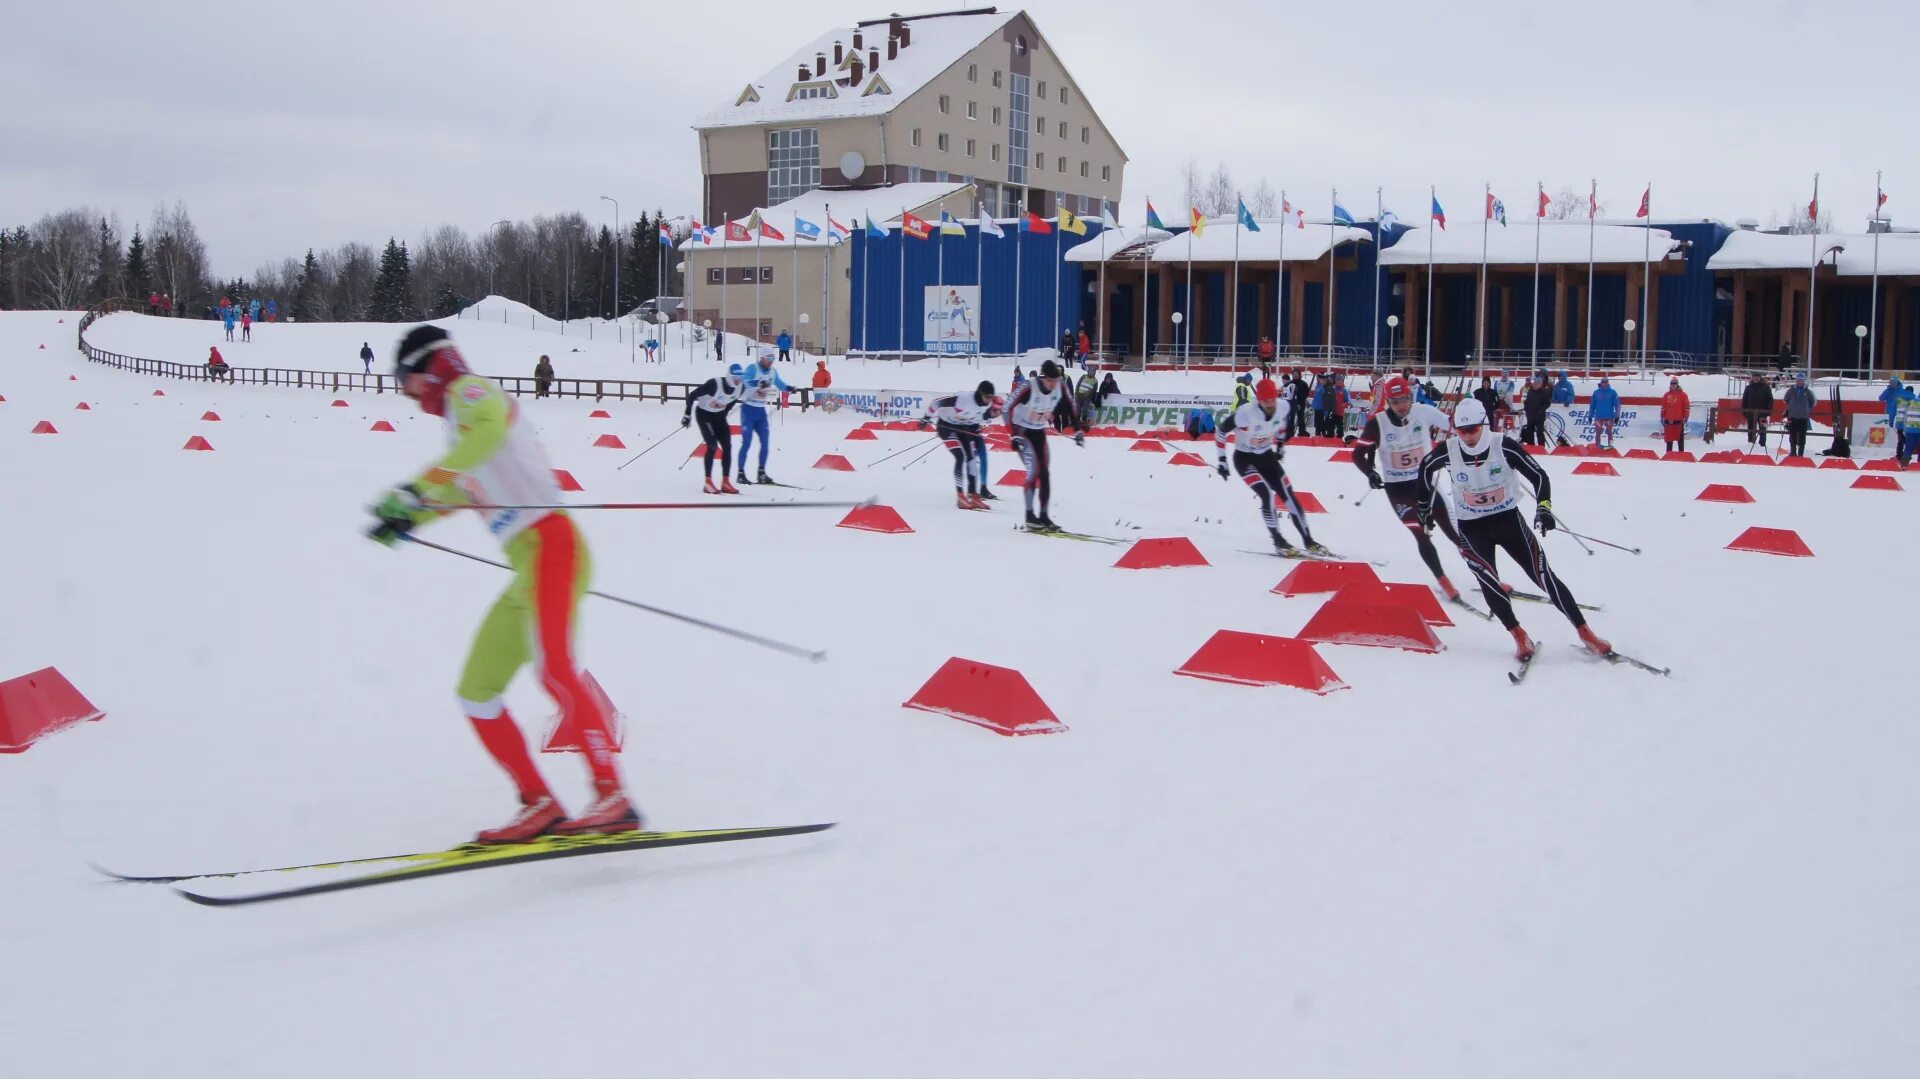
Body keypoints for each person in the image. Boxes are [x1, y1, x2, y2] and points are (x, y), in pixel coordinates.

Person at [369, 325, 635, 843]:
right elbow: (460, 492)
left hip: (555, 547)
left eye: (406, 382)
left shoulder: (473, 394)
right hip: (528, 567)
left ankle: (613, 794)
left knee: (555, 670)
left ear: (429, 370)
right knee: (477, 692)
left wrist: (415, 489)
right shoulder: (459, 436)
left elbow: (487, 436)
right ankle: (539, 804)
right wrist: (410, 517)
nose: (407, 395)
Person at [1414, 398, 1611, 663]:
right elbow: (1424, 470)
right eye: (1462, 431)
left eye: (1473, 429)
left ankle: (1585, 632)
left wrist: (1544, 508)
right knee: (1489, 582)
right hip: (1472, 528)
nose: (1468, 436)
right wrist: (1424, 509)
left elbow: (1539, 476)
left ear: (1484, 424)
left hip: (1508, 521)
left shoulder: (1502, 445)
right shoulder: (1448, 450)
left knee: (1544, 576)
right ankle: (1519, 635)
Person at [1353, 375, 1464, 596]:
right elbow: (1357, 454)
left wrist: (1458, 421)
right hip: (1398, 492)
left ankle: (1489, 577)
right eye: (1395, 402)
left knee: (1455, 534)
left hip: (1425, 485)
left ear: (1411, 397)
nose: (1401, 406)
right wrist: (1370, 473)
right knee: (1420, 533)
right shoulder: (1378, 423)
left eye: (1404, 400)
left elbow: (1453, 425)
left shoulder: (1423, 412)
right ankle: (1443, 580)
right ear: (1388, 403)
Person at [1217, 377, 1323, 555]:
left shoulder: (1283, 406)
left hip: (1266, 456)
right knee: (1266, 494)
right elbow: (1221, 431)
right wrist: (1222, 460)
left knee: (1288, 493)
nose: (1270, 403)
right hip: (1244, 459)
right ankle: (1278, 541)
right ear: (1259, 400)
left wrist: (1280, 446)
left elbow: (1281, 426)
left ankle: (1309, 540)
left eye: (1273, 399)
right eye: (1266, 400)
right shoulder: (1246, 414)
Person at [1004, 359, 1085, 532]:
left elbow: (1072, 406)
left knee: (1045, 473)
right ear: (1043, 377)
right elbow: (1007, 408)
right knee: (1034, 471)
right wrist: (1013, 435)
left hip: (1039, 432)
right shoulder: (1029, 387)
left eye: (1056, 381)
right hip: (1023, 432)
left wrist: (1078, 430)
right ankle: (1029, 516)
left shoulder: (1060, 386)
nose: (1053, 385)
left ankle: (1044, 516)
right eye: (1050, 381)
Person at [923, 381, 1000, 508]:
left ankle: (973, 495)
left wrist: (982, 422)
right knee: (960, 456)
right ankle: (960, 496)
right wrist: (926, 418)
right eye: (987, 397)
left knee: (971, 459)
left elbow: (979, 417)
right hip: (945, 427)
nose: (989, 401)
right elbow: (936, 403)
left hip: (961, 427)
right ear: (980, 394)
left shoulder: (986, 405)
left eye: (991, 398)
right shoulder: (963, 398)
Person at [682, 364, 746, 494]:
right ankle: (708, 482)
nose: (737, 380)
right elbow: (692, 396)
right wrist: (687, 415)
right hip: (704, 415)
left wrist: (725, 411)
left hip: (719, 416)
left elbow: (733, 399)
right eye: (735, 377)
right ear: (729, 377)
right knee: (712, 446)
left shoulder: (740, 388)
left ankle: (726, 482)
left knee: (727, 446)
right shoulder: (714, 384)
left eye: (740, 377)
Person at [736, 352, 792, 485]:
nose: (770, 362)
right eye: (768, 359)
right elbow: (744, 382)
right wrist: (757, 383)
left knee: (765, 443)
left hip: (761, 411)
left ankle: (761, 473)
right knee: (747, 442)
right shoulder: (752, 368)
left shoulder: (772, 371)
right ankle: (740, 473)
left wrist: (788, 388)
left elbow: (779, 383)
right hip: (748, 409)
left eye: (772, 359)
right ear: (761, 358)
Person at [1783, 374, 1815, 457]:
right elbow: (1786, 400)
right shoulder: (1791, 390)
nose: (1799, 382)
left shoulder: (1808, 391)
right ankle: (1793, 452)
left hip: (1803, 417)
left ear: (1804, 381)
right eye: (1798, 380)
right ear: (1796, 381)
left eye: (1801, 380)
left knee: (1802, 436)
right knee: (1792, 435)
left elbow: (1812, 402)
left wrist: (1807, 409)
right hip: (1792, 417)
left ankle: (1801, 453)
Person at [1741, 372, 1773, 451]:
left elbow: (1770, 400)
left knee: (1763, 429)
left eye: (1757, 377)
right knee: (1751, 429)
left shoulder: (1766, 387)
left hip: (1762, 413)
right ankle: (1750, 443)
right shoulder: (1748, 388)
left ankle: (1762, 445)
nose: (1756, 378)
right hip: (1750, 412)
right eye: (1754, 376)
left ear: (1760, 377)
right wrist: (1744, 411)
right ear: (1752, 378)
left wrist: (1768, 411)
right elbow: (1744, 400)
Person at [1519, 373, 1552, 447]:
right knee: (1529, 431)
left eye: (1537, 384)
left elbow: (1548, 403)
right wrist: (1526, 409)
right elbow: (1526, 401)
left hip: (1540, 415)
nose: (1535, 385)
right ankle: (1530, 445)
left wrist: (1541, 409)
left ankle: (1541, 446)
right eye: (1534, 383)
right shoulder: (1530, 391)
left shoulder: (1544, 392)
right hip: (1530, 415)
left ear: (1540, 384)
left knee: (1539, 431)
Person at [1660, 377, 1691, 453]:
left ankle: (1681, 454)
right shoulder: (1666, 395)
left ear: (1677, 384)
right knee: (1669, 440)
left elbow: (1686, 407)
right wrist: (1662, 416)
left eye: (1674, 383)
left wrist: (1686, 417)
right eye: (1671, 383)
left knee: (1680, 439)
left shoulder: (1683, 395)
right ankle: (1668, 454)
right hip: (1668, 420)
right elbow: (1663, 407)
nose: (1673, 385)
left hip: (1678, 420)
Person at [1589, 376, 1620, 449]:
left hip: (1609, 416)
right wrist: (1590, 415)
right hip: (1599, 416)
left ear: (1608, 383)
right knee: (1598, 432)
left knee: (1609, 431)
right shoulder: (1596, 393)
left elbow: (1617, 404)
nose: (1604, 384)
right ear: (1601, 383)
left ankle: (1610, 446)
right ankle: (1597, 447)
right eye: (1603, 382)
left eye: (1606, 382)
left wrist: (1617, 416)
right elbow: (1592, 405)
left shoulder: (1613, 392)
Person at [1286, 370, 1311, 439]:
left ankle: (1302, 432)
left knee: (1301, 418)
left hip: (1300, 403)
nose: (1295, 375)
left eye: (1296, 374)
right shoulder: (1290, 383)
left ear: (1299, 375)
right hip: (1292, 403)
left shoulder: (1303, 384)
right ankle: (1290, 432)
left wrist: (1300, 401)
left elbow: (1306, 393)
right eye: (1294, 374)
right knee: (1291, 419)